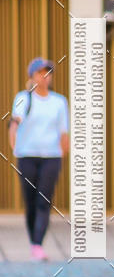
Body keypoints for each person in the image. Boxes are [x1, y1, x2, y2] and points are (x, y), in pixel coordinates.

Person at [8, 58, 69, 261]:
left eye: (48, 73)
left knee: (44, 200)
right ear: (32, 77)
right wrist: (14, 146)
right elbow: (14, 123)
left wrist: (64, 154)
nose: (44, 77)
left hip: (51, 157)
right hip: (27, 156)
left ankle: (37, 244)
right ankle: (34, 240)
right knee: (31, 201)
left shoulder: (59, 102)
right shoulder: (23, 98)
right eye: (40, 73)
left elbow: (63, 133)